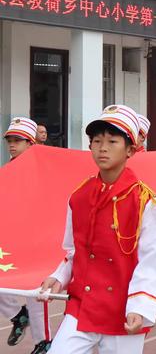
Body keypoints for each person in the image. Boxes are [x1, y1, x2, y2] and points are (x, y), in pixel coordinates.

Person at [40, 105, 156, 354]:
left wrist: (140, 307)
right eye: (96, 141)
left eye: (112, 141)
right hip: (83, 304)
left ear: (130, 149)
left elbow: (152, 260)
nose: (103, 147)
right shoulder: (79, 196)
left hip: (123, 309)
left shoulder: (144, 201)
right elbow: (74, 250)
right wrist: (59, 276)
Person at [1, 117, 51, 354]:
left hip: (37, 243)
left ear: (31, 144)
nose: (12, 144)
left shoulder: (44, 173)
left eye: (18, 140)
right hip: (10, 242)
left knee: (35, 294)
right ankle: (18, 316)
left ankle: (44, 343)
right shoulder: (5, 172)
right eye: (10, 140)